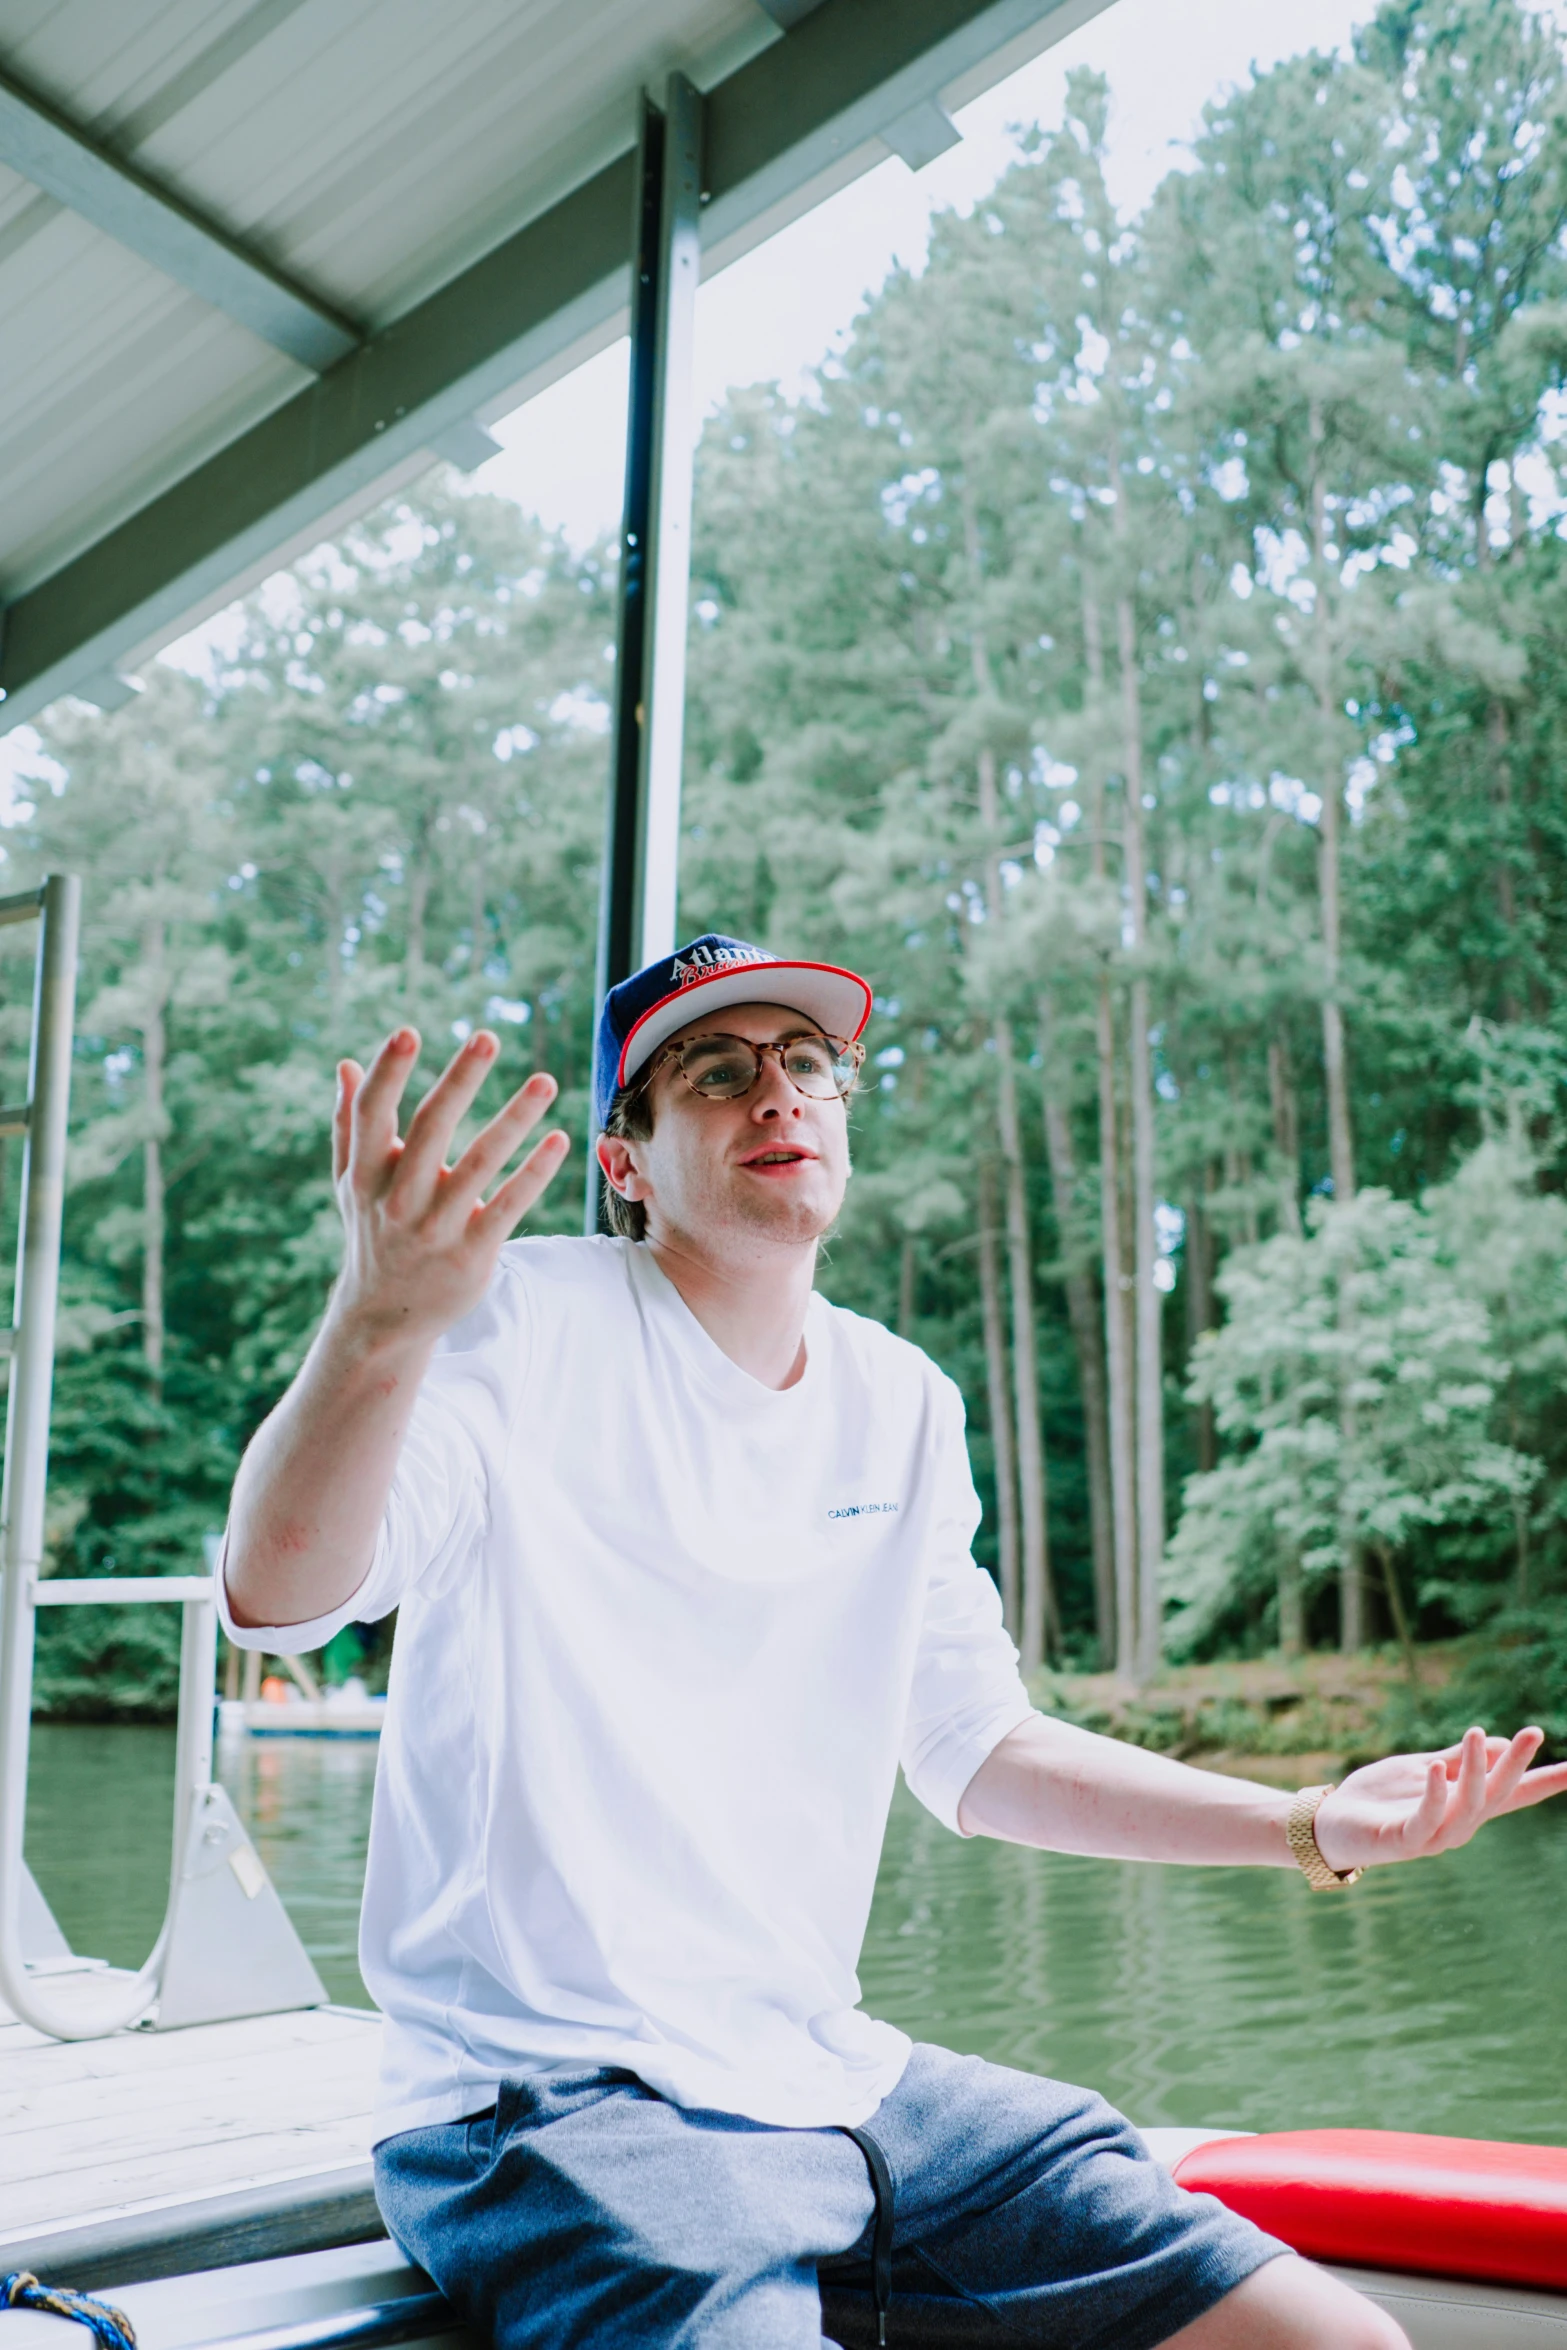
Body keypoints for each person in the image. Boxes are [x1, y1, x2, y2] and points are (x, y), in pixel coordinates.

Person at [222, 933, 1567, 2350]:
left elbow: (976, 1748)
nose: (777, 1096)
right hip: (551, 2104)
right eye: (715, 1073)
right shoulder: (517, 1319)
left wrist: (1309, 1819)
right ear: (625, 1161)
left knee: (1338, 2341)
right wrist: (374, 1323)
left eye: (808, 1065)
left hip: (832, 2077)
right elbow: (285, 1591)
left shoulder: (901, 1398)